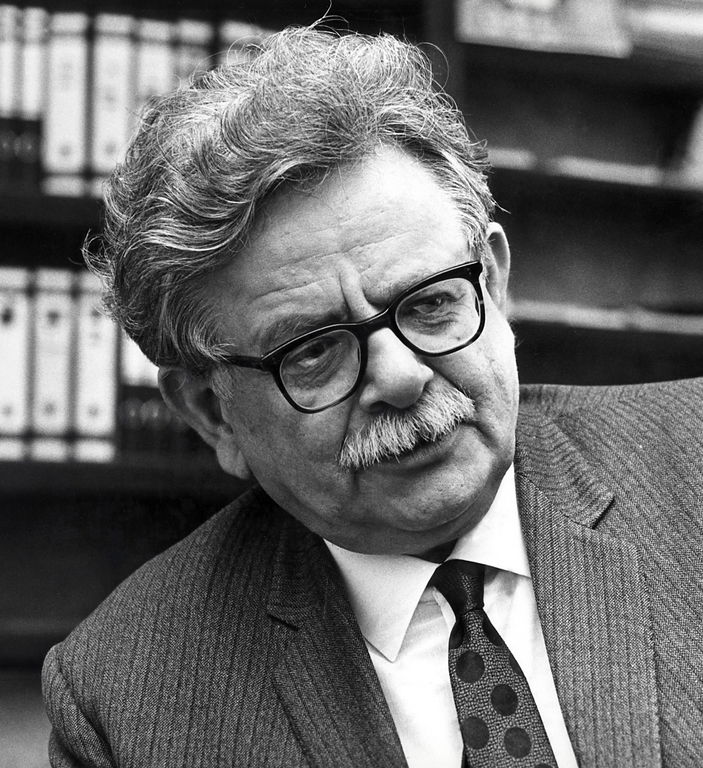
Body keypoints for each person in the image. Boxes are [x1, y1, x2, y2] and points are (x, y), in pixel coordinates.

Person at [42, 25, 702, 768]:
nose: (402, 377)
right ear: (211, 412)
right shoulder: (126, 703)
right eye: (314, 350)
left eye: (430, 304)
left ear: (492, 284)